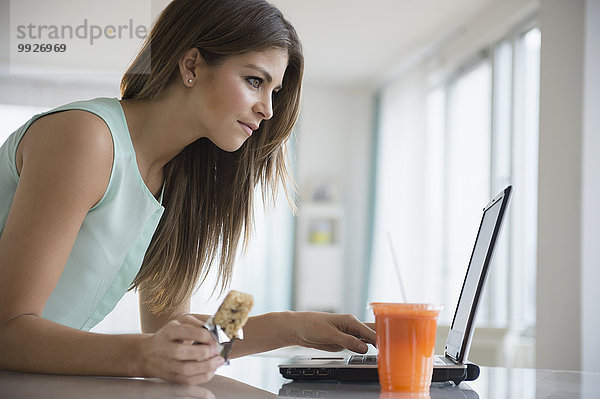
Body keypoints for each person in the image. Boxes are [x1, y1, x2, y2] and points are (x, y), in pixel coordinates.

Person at [0, 0, 375, 386]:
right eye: (255, 81)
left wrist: (289, 328)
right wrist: (143, 355)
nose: (267, 109)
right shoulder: (87, 139)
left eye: (274, 90)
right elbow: (8, 332)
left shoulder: (173, 182)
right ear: (192, 65)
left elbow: (176, 335)